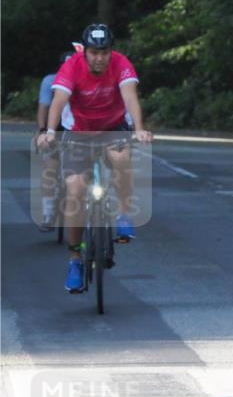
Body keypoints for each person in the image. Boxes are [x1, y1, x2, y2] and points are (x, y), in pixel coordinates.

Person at [37, 24, 153, 293]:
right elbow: (57, 101)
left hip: (112, 127)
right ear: (85, 52)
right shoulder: (72, 67)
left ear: (110, 51)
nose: (99, 58)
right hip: (79, 132)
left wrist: (138, 128)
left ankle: (124, 216)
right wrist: (50, 132)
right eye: (93, 52)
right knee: (75, 190)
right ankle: (75, 259)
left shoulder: (121, 63)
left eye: (104, 52)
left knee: (122, 159)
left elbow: (130, 96)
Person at [34, 52, 75, 231]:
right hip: (56, 126)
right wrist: (42, 130)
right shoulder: (50, 81)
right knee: (50, 166)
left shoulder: (86, 78)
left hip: (78, 128)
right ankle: (48, 213)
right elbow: (44, 107)